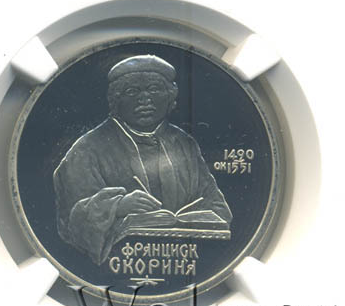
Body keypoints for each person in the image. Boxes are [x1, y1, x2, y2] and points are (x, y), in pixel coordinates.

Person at [53, 54, 232, 265]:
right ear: (115, 100)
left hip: (183, 258)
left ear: (170, 97)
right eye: (132, 91)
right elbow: (70, 220)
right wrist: (117, 207)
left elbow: (217, 205)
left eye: (154, 89)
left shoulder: (184, 144)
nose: (144, 99)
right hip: (119, 261)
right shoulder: (87, 149)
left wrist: (199, 218)